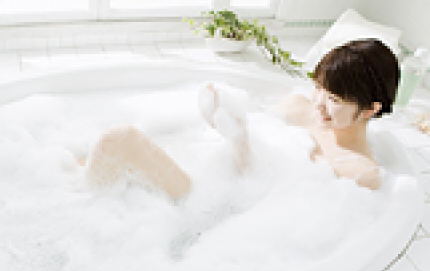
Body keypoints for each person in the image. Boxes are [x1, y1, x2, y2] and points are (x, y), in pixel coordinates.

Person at [81, 38, 400, 199]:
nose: (318, 104)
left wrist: (239, 138)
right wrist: (219, 115)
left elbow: (266, 198)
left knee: (118, 140)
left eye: (333, 100)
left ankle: (83, 203)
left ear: (370, 110)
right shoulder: (298, 106)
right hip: (201, 162)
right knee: (94, 154)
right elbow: (242, 131)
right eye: (318, 88)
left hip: (206, 196)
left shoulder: (358, 170)